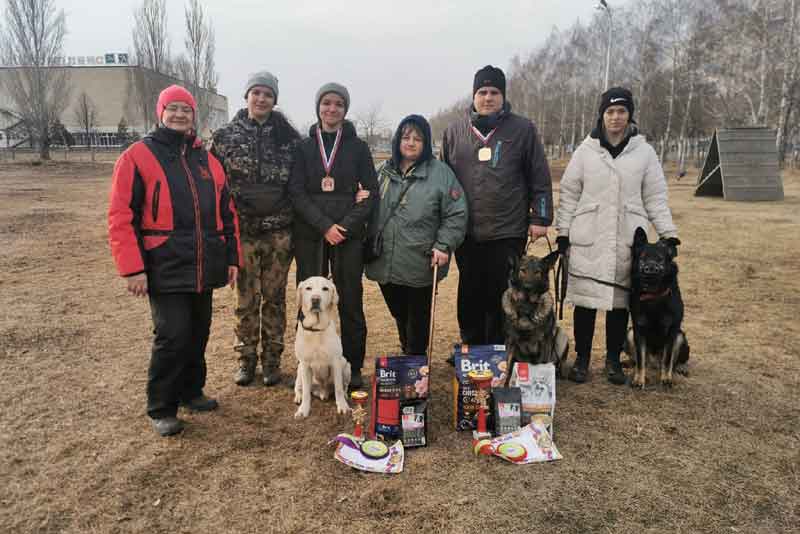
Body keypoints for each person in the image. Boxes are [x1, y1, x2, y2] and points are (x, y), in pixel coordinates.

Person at [108, 85, 241, 436]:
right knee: (172, 335)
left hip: (204, 265)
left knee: (199, 332)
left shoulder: (208, 161)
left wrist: (231, 258)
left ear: (194, 116)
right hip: (163, 264)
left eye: (186, 109)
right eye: (173, 108)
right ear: (161, 112)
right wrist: (132, 268)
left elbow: (228, 214)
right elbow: (120, 216)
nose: (180, 114)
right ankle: (161, 406)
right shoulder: (138, 156)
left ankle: (191, 391)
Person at [556, 87, 679, 385]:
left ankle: (613, 360)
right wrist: (563, 232)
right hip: (589, 236)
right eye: (610, 111)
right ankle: (583, 360)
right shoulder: (585, 151)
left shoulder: (645, 153)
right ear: (602, 115)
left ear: (629, 115)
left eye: (621, 111)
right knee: (585, 301)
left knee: (620, 303)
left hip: (627, 238)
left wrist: (668, 233)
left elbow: (655, 197)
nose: (615, 117)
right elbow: (570, 194)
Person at [442, 65, 553, 347]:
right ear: (474, 95)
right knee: (469, 291)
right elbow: (442, 179)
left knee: (501, 293)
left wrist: (540, 216)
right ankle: (471, 346)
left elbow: (538, 174)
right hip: (467, 231)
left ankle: (498, 348)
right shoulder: (455, 132)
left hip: (507, 229)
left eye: (494, 92)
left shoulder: (522, 129)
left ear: (502, 96)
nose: (488, 98)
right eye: (482, 92)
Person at [211, 72, 301, 387]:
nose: (261, 99)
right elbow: (213, 185)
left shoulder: (289, 138)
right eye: (256, 92)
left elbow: (301, 182)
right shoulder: (224, 136)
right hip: (243, 232)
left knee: (274, 298)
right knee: (245, 300)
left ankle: (273, 362)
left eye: (268, 94)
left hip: (279, 233)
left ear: (275, 100)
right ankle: (246, 360)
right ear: (247, 95)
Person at [288, 83, 378, 388]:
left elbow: (370, 194)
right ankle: (307, 368)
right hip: (311, 234)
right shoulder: (302, 147)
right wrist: (325, 226)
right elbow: (297, 193)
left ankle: (350, 366)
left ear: (345, 109)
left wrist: (345, 227)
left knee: (350, 301)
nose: (332, 109)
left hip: (347, 236)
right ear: (318, 107)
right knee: (310, 300)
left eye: (339, 104)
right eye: (326, 103)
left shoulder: (359, 148)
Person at [365, 115, 467, 355]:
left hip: (421, 261)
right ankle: (407, 350)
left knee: (418, 317)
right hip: (385, 260)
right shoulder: (382, 172)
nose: (410, 143)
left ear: (426, 143)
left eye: (417, 139)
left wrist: (444, 245)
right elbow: (365, 206)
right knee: (398, 312)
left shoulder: (441, 174)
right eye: (406, 137)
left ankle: (416, 362)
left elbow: (457, 213)